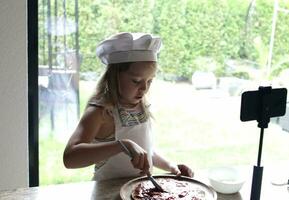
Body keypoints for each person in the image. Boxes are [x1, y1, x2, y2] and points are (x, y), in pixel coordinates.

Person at [63, 32, 194, 181]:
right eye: (136, 81)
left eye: (149, 81)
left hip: (139, 190)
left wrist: (171, 166)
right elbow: (70, 158)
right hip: (107, 194)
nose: (144, 88)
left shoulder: (140, 106)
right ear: (114, 76)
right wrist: (121, 145)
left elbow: (144, 152)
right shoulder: (100, 112)